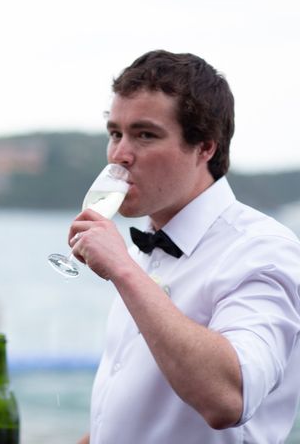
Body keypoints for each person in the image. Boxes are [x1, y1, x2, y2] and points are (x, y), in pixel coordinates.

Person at [70, 50, 300, 443]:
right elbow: (143, 408)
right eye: (115, 133)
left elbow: (229, 398)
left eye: (145, 135)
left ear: (205, 147)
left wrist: (123, 271)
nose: (120, 155)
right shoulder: (148, 242)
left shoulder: (263, 250)